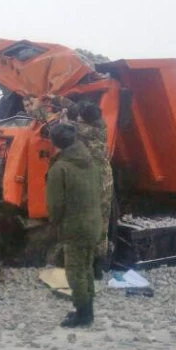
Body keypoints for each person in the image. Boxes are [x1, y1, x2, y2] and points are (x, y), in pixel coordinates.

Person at [46, 122, 102, 327]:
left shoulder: (60, 168)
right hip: (93, 223)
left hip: (75, 226)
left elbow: (55, 205)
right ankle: (87, 309)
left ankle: (83, 315)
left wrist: (54, 225)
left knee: (75, 269)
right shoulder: (90, 162)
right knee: (86, 266)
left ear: (55, 143)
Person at [76, 102, 114, 278]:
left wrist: (39, 106)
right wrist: (55, 98)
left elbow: (58, 128)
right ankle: (99, 266)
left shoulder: (84, 131)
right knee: (102, 225)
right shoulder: (101, 125)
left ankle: (87, 267)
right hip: (106, 181)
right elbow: (78, 111)